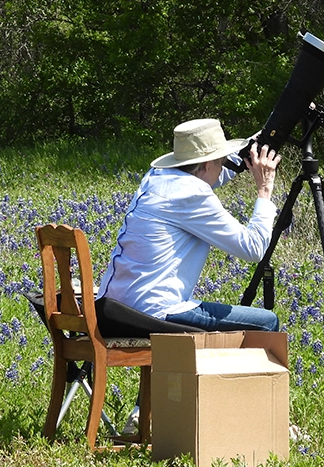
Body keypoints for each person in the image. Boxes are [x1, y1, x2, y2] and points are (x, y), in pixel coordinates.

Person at [97, 118, 281, 333]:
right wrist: (265, 189)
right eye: (220, 162)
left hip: (117, 303)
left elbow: (210, 176)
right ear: (206, 164)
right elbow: (254, 249)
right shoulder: (192, 193)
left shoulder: (157, 177)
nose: (222, 168)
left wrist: (260, 139)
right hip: (155, 310)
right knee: (267, 322)